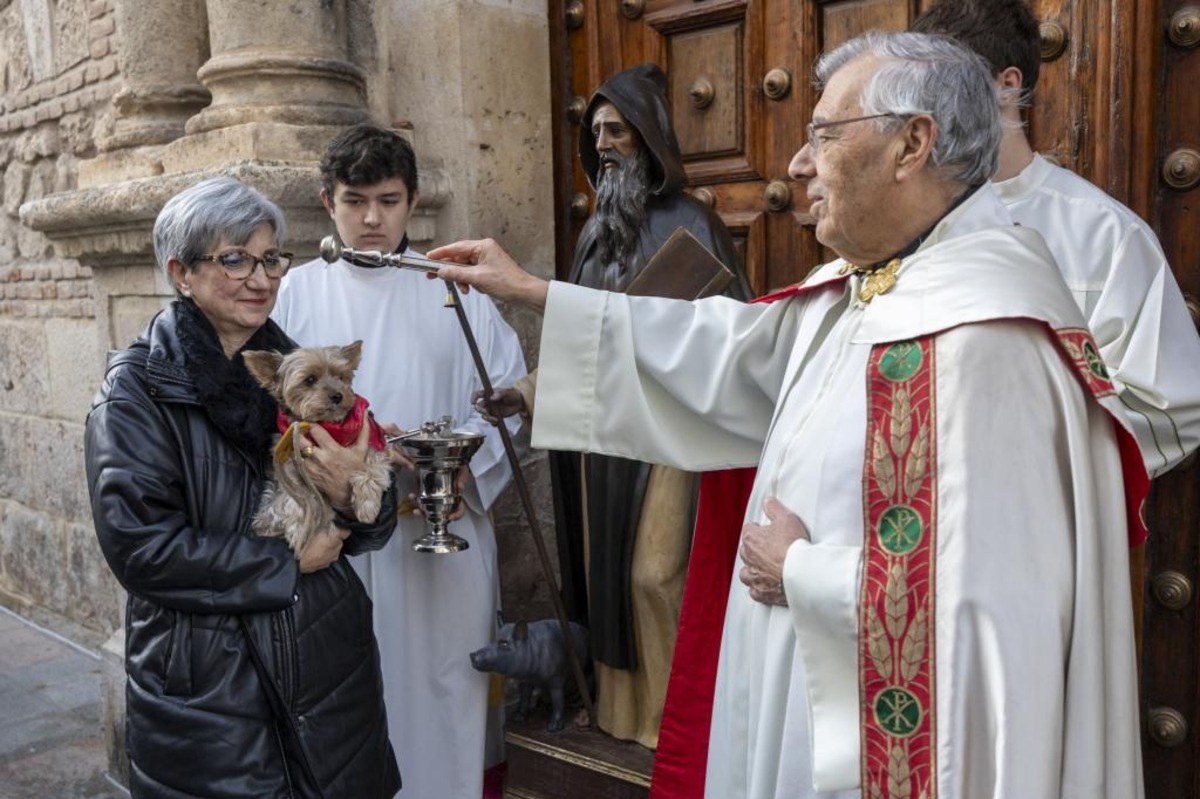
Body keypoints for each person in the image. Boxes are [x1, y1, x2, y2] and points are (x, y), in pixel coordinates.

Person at [429, 31, 1148, 799]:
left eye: (823, 134)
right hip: (792, 709)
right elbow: (718, 350)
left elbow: (1000, 619)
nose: (799, 163)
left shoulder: (987, 342)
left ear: (913, 144)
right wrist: (536, 293)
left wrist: (804, 572)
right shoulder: (862, 291)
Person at [84, 177, 402, 798]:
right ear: (181, 271)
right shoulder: (135, 394)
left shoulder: (304, 371)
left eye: (272, 259)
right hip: (213, 684)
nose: (262, 279)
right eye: (235, 260)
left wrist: (352, 495)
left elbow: (375, 517)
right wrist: (281, 562)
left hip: (328, 663)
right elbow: (141, 549)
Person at [479, 63, 751, 749]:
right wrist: (525, 393)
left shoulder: (694, 225)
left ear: (649, 139)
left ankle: (679, 723)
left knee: (654, 573)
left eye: (617, 131)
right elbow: (581, 332)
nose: (602, 144)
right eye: (595, 130)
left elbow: (733, 334)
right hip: (605, 433)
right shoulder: (597, 232)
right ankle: (624, 714)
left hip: (671, 430)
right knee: (606, 582)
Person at [272, 124, 527, 799]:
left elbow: (508, 394)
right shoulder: (295, 295)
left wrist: (468, 463)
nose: (372, 218)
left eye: (388, 200)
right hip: (343, 544)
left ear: (413, 201)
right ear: (328, 202)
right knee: (359, 698)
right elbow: (269, 411)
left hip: (441, 535)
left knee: (448, 691)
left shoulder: (456, 289)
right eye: (355, 200)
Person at [912, 0, 1200, 476]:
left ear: (1006, 86)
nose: (920, 111)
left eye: (940, 86)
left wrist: (1016, 465)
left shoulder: (1103, 233)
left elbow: (1170, 408)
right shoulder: (899, 220)